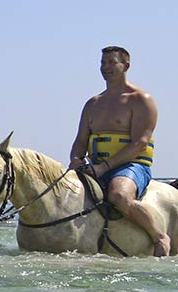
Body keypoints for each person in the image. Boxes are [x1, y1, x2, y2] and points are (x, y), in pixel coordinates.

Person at [71, 45, 167, 255]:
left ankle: (159, 236)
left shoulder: (141, 99)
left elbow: (140, 143)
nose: (106, 67)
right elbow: (80, 141)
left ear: (126, 66)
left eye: (112, 62)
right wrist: (75, 160)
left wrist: (104, 167)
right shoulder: (93, 104)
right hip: (95, 167)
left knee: (119, 196)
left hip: (132, 165)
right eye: (103, 63)